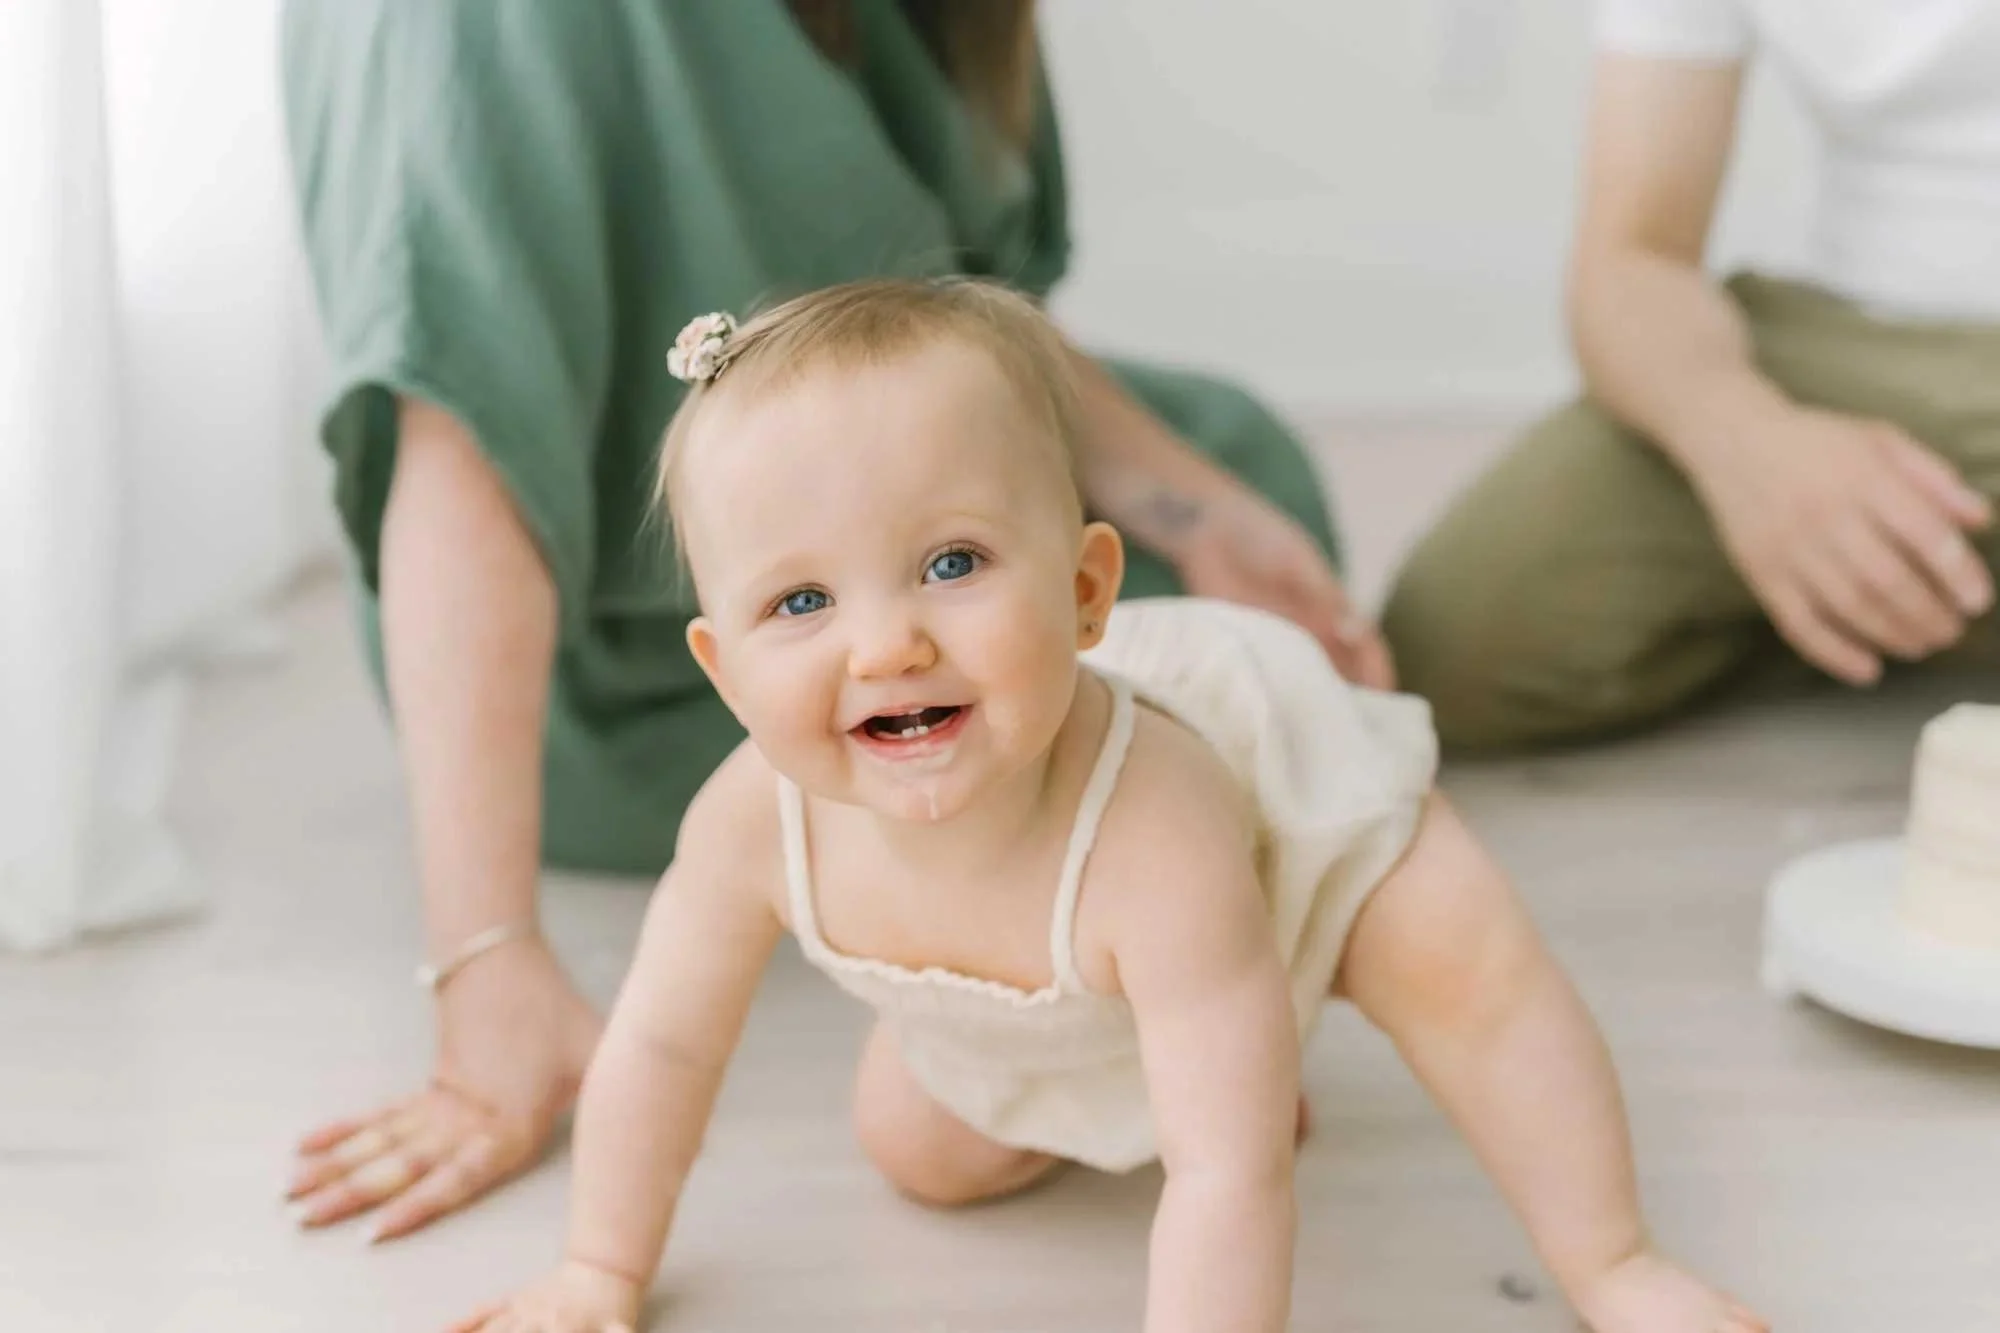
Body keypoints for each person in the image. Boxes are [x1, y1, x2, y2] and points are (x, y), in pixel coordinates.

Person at [438, 278, 1765, 1333]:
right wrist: (596, 1270)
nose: (887, 645)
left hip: (1281, 826)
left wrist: (1234, 1136)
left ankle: (1615, 1258)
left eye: (950, 562)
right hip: (1052, 978)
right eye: (801, 602)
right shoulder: (751, 826)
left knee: (1466, 978)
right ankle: (1197, 1045)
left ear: (1084, 595)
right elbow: (663, 1048)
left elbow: (1228, 1181)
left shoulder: (1160, 827)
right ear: (723, 670)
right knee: (917, 1152)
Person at [277, 0, 1396, 1243]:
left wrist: (1196, 506)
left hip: (848, 522)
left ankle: (1176, 972)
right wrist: (486, 959)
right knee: (1167, 696)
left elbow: (945, 343)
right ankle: (1116, 992)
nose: (892, 648)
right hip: (606, 664)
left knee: (1245, 481)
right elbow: (464, 443)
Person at [1383, 0, 2000, 750]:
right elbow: (1630, 264)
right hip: (1846, 334)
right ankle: (1897, 601)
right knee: (1454, 640)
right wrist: (1755, 452)